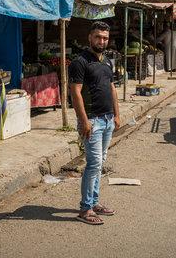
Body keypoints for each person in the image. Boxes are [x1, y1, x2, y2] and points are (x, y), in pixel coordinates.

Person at [69, 21, 121, 225]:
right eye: (98, 37)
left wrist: (117, 115)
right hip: (92, 121)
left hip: (107, 120)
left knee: (100, 163)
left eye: (105, 38)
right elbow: (75, 92)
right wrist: (84, 121)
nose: (102, 41)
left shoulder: (108, 61)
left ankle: (94, 202)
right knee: (94, 164)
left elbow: (112, 88)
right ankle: (85, 209)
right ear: (90, 37)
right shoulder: (80, 62)